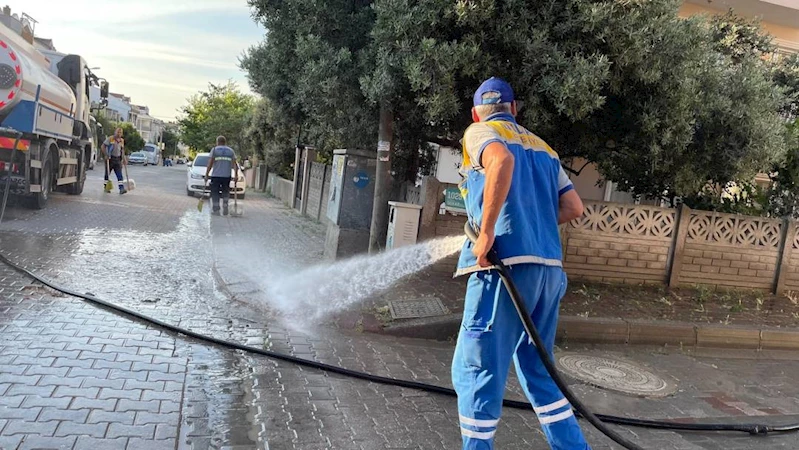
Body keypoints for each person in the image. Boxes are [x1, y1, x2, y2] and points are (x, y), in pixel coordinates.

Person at [451, 77, 588, 450]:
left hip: (504, 270)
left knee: (475, 370)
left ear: (476, 112)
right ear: (514, 109)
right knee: (539, 371)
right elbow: (574, 207)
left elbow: (501, 160)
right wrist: (535, 221)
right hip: (549, 273)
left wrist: (487, 232)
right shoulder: (545, 149)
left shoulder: (479, 132)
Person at [204, 136, 238, 216]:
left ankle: (216, 209)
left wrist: (206, 174)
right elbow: (235, 164)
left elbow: (210, 163)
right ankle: (225, 206)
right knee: (226, 191)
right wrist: (236, 175)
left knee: (215, 192)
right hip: (227, 175)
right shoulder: (231, 151)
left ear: (217, 142)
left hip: (216, 175)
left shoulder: (215, 150)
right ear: (225, 142)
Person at [103, 127, 127, 195]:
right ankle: (106, 187)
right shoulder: (111, 138)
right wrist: (106, 154)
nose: (119, 134)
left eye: (120, 132)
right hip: (110, 159)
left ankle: (121, 189)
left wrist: (124, 158)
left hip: (118, 160)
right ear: (115, 132)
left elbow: (122, 150)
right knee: (107, 174)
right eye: (118, 132)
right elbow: (103, 146)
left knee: (120, 175)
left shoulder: (121, 140)